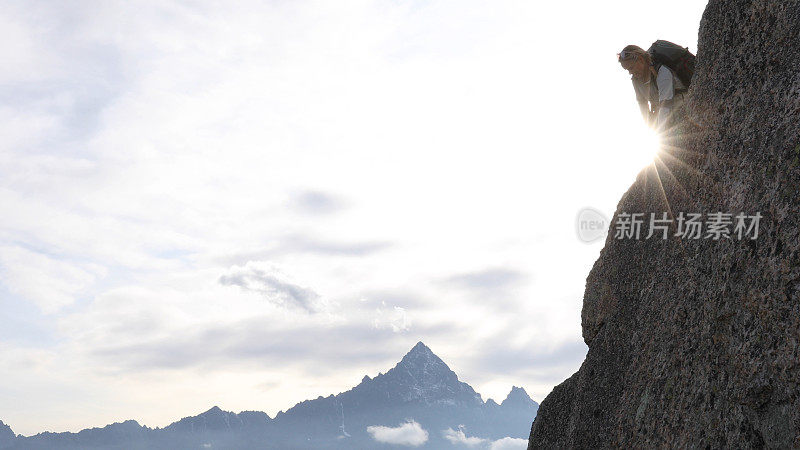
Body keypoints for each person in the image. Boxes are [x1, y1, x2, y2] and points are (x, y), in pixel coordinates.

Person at [618, 45, 686, 131]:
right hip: (664, 118)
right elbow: (642, 104)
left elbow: (666, 105)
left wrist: (660, 133)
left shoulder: (662, 72)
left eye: (631, 68)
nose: (630, 72)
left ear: (641, 60)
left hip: (682, 111)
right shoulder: (636, 81)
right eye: (627, 70)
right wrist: (650, 127)